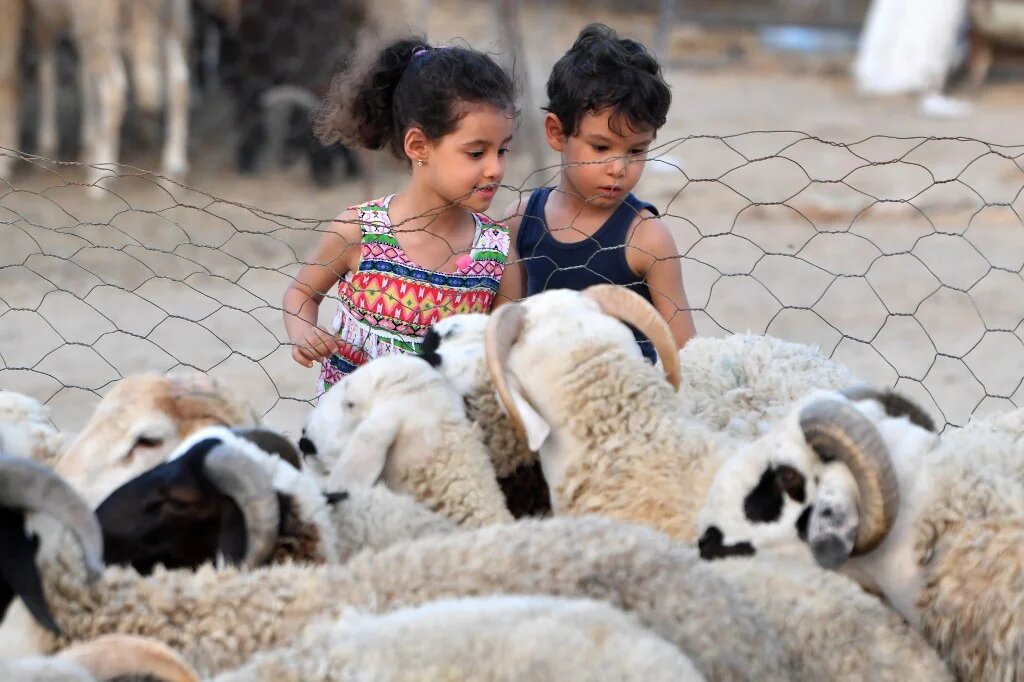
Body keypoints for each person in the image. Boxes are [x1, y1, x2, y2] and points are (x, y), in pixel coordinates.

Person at [282, 36, 522, 394]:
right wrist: (304, 332)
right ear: (418, 146)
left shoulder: (498, 254)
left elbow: (506, 351)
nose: (495, 169)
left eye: (502, 151)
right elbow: (300, 295)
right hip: (356, 433)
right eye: (476, 153)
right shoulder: (360, 231)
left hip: (447, 437)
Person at [504, 23, 696, 360]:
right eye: (601, 147)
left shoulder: (647, 239)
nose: (619, 168)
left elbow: (687, 353)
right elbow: (503, 327)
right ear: (556, 132)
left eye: (636, 150)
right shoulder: (521, 221)